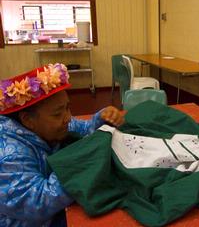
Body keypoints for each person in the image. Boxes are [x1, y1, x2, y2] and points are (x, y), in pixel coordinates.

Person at [0, 63, 125, 226]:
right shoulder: (9, 156)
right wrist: (78, 163)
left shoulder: (52, 124)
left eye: (68, 108)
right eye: (58, 113)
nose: (68, 117)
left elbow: (84, 128)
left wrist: (103, 117)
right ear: (28, 120)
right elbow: (38, 203)